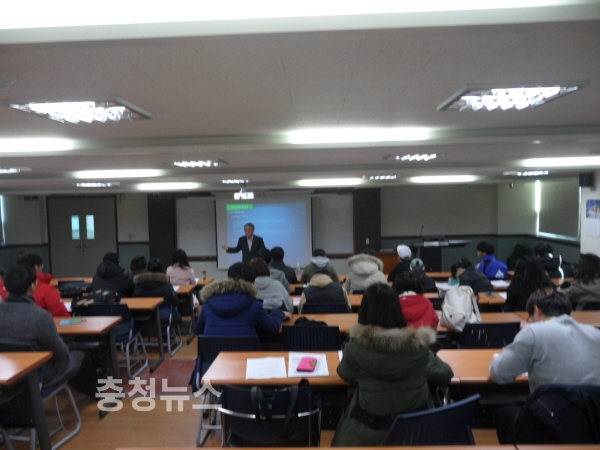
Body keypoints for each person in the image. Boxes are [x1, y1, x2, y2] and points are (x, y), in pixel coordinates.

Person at [331, 283, 453, 446]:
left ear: (363, 311)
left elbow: (345, 373)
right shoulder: (418, 347)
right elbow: (445, 374)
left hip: (368, 432)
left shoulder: (356, 348)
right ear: (397, 310)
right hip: (415, 433)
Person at [489, 287, 600, 443]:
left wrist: (506, 353)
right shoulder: (595, 333)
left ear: (537, 310)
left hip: (551, 421)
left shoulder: (534, 332)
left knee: (504, 414)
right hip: (592, 423)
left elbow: (498, 374)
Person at [0, 265, 83, 387]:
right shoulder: (41, 316)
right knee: (80, 355)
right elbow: (61, 353)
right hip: (38, 376)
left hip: (6, 373)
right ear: (32, 286)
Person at [193, 262, 289, 336]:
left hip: (214, 354)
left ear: (229, 278)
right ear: (252, 283)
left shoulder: (208, 304)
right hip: (246, 354)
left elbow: (197, 330)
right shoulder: (254, 306)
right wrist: (278, 313)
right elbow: (271, 329)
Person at [15, 252, 70, 317]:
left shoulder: (8, 290)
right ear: (36, 267)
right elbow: (62, 316)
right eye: (41, 266)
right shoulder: (46, 290)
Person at [133, 257, 182, 323]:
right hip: (164, 315)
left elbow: (135, 301)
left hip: (143, 316)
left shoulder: (138, 285)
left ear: (147, 269)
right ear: (162, 269)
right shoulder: (166, 285)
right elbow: (176, 301)